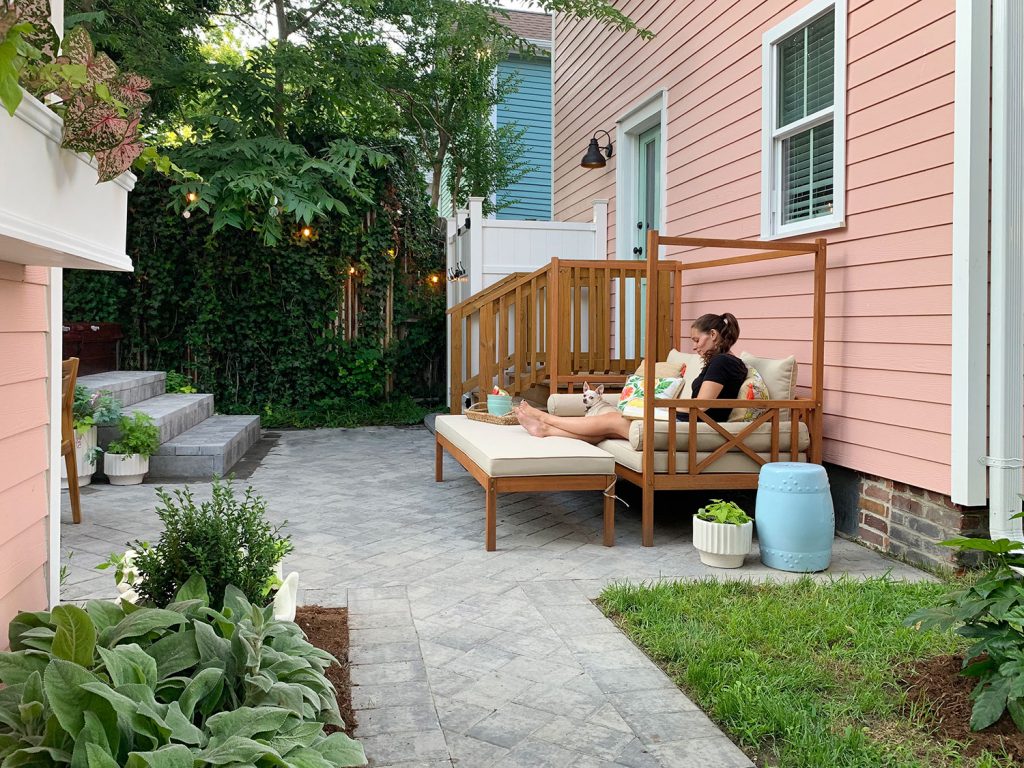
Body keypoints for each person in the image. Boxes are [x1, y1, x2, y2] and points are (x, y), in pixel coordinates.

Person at [515, 312, 748, 443]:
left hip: (697, 427)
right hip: (691, 422)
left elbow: (702, 406)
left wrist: (661, 408)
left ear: (714, 335)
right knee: (608, 429)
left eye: (697, 340)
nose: (694, 347)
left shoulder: (722, 362)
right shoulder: (724, 362)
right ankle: (544, 430)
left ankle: (545, 419)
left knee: (613, 420)